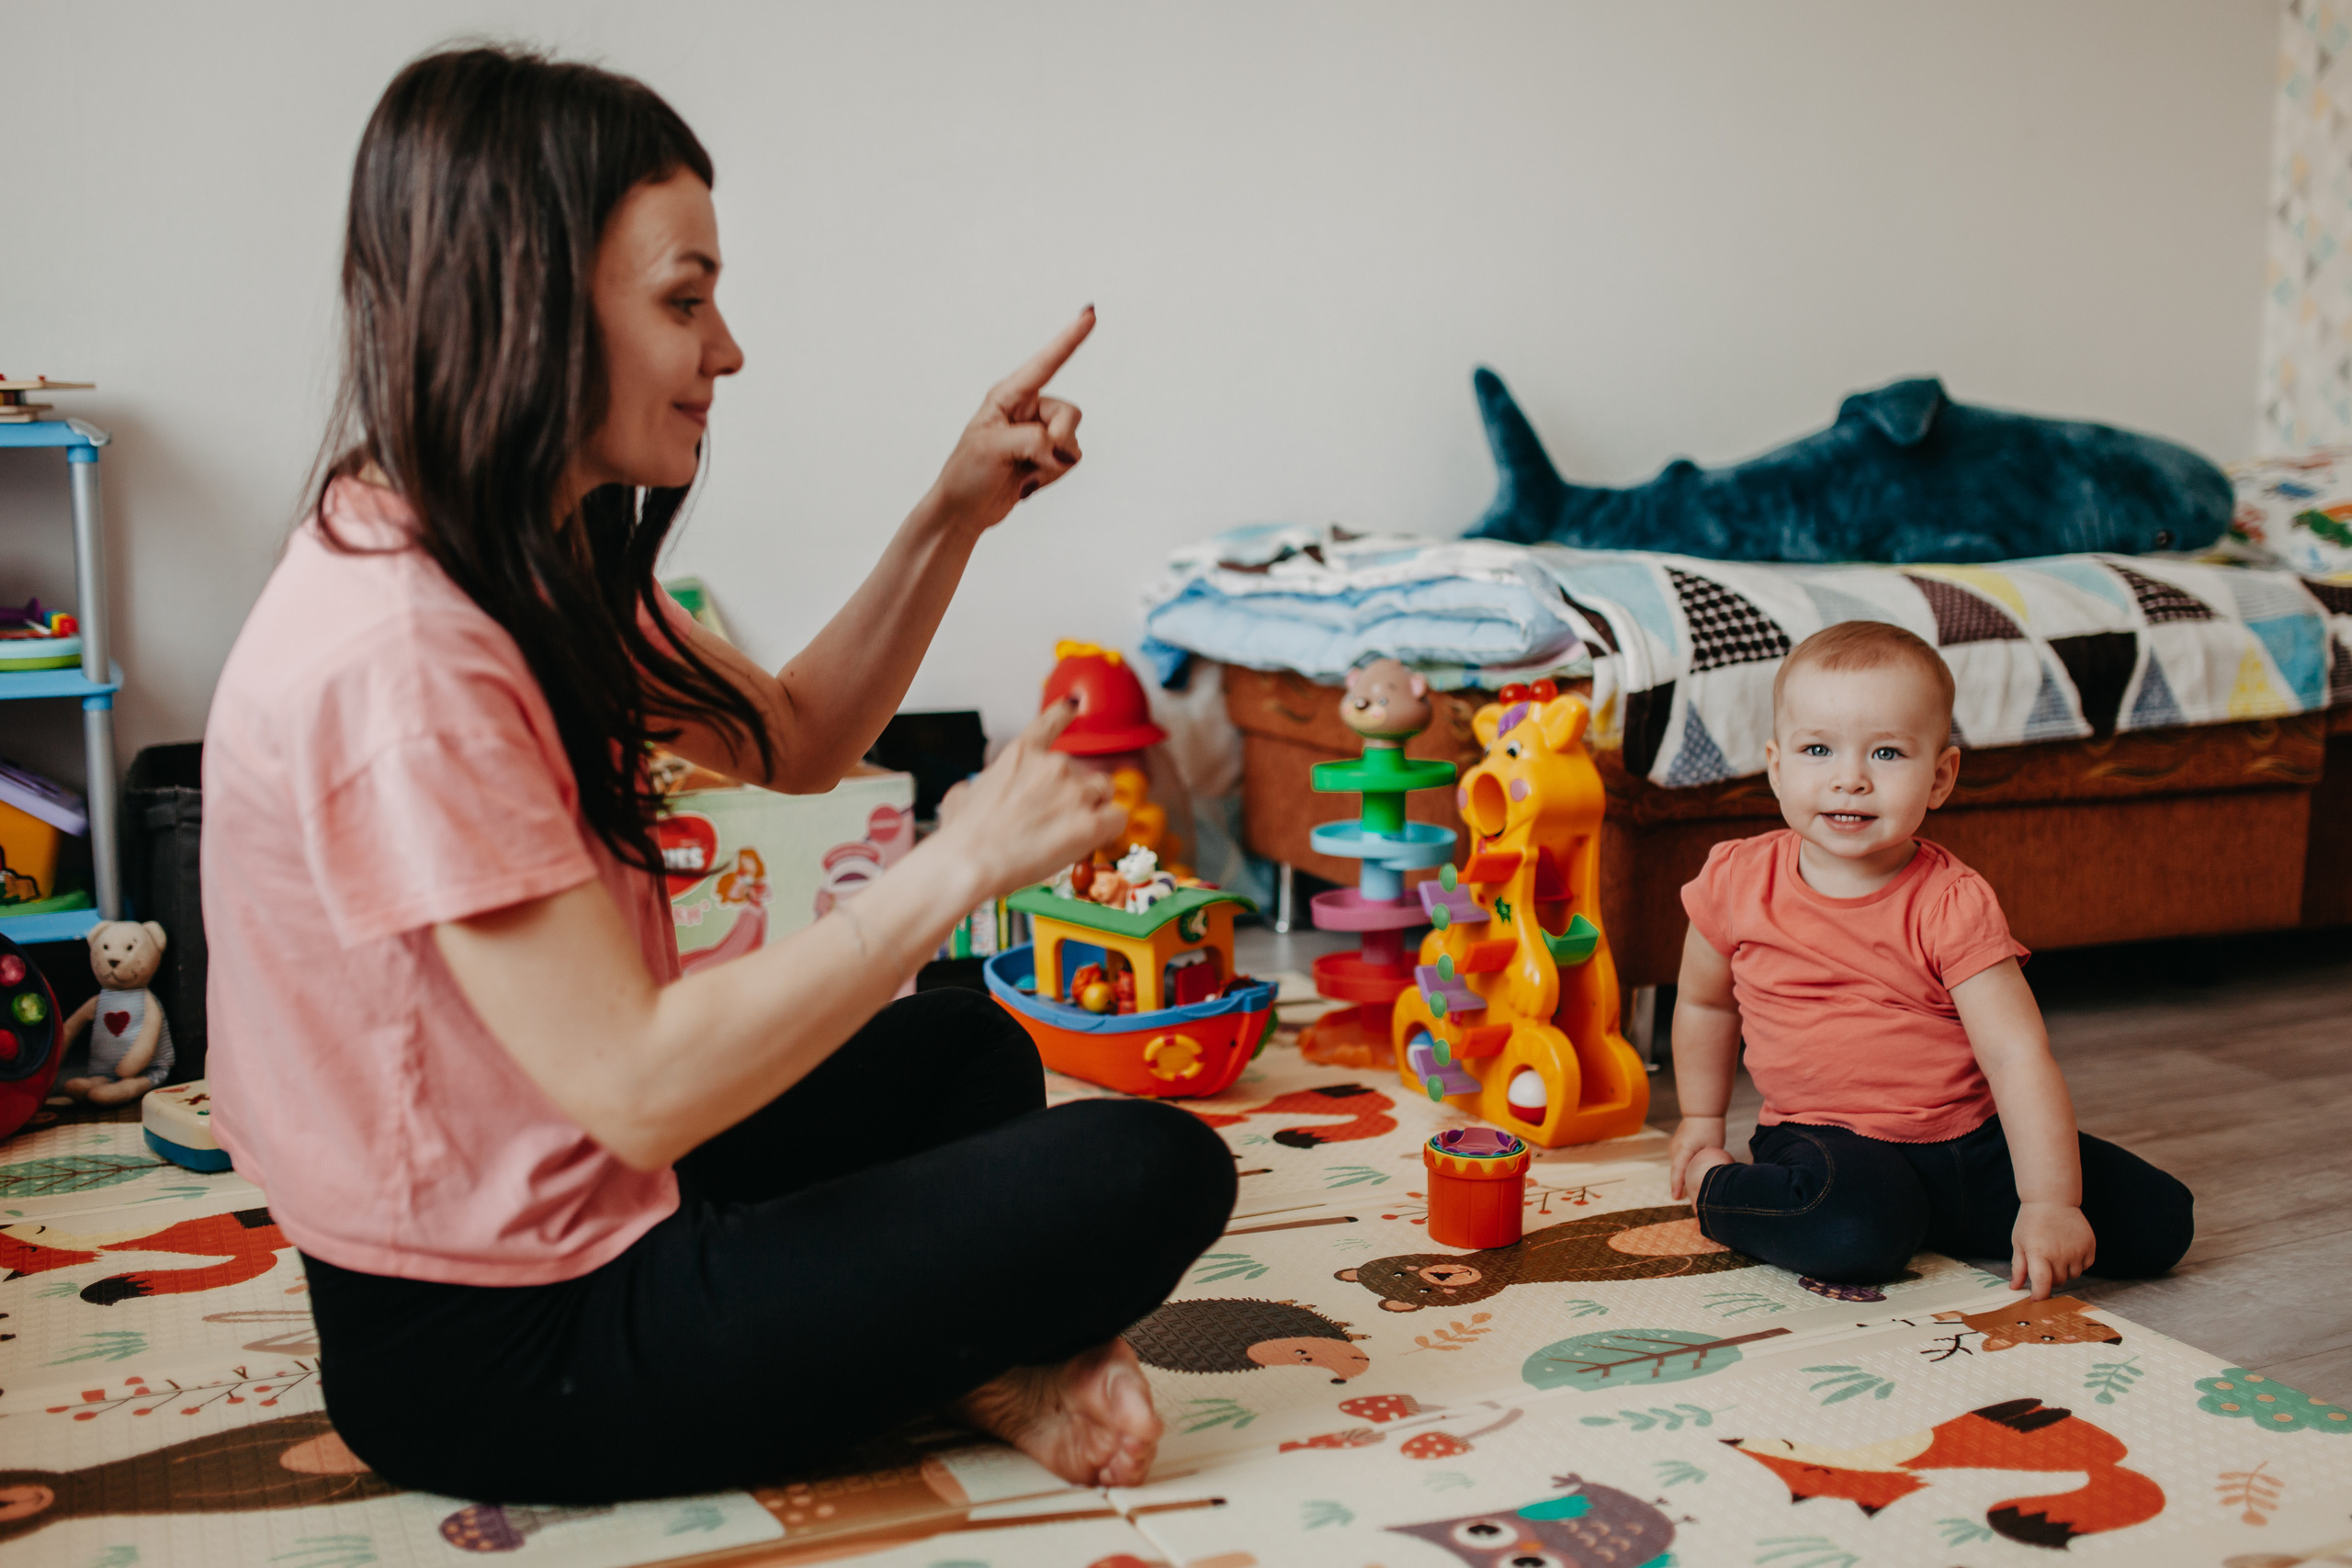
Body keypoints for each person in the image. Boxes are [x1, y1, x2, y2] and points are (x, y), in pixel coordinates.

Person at [200, 47, 1236, 1505]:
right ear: (528, 306)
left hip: (590, 1186)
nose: (727, 349)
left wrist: (953, 509)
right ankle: (968, 1354)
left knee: (970, 1050)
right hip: (500, 1346)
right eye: (684, 302)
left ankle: (966, 1356)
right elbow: (637, 1084)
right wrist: (958, 860)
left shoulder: (508, 546)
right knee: (1152, 1170)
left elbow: (797, 734)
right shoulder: (408, 653)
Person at [1665, 620, 2193, 1296]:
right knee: (1852, 1231)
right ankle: (1720, 1189)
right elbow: (1705, 1004)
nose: (1850, 779)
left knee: (2161, 1221)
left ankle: (1938, 1218)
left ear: (1940, 777)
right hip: (1826, 1140)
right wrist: (1702, 1121)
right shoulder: (1737, 881)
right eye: (1818, 749)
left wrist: (2049, 1201)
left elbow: (2017, 1056)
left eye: (1886, 753)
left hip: (1965, 1144)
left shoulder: (1952, 901)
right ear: (1776, 766)